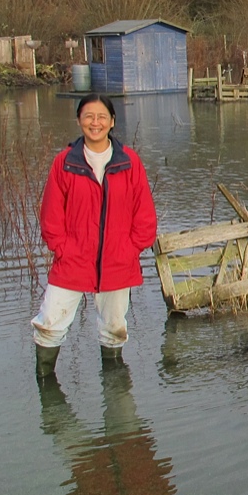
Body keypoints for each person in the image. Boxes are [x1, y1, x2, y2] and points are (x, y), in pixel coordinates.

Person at [33, 94, 157, 378]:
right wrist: (62, 248)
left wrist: (131, 248)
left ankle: (114, 388)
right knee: (50, 322)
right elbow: (51, 215)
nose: (95, 122)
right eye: (89, 116)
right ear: (79, 120)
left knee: (114, 328)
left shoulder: (129, 162)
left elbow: (145, 214)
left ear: (112, 121)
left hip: (117, 260)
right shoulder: (64, 163)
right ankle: (47, 388)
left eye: (102, 117)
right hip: (73, 259)